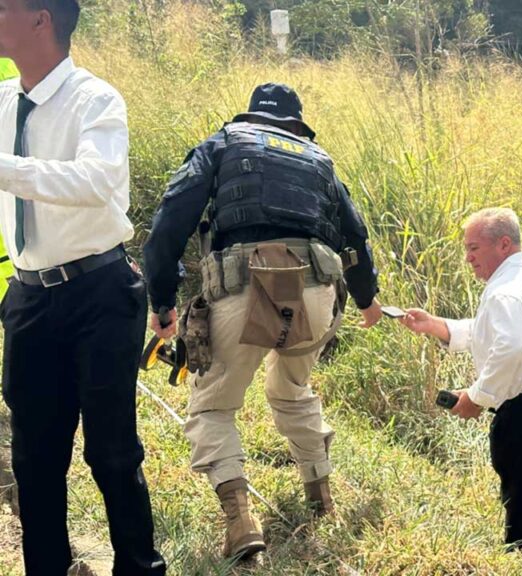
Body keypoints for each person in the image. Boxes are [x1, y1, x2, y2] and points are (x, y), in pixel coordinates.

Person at [143, 82, 382, 560]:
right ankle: (320, 494)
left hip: (242, 283)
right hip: (314, 291)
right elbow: (355, 235)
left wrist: (162, 302)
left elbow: (169, 222)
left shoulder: (223, 144)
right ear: (295, 124)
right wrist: (367, 299)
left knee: (213, 406)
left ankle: (240, 522)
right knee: (292, 390)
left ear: (252, 116)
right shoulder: (320, 160)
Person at [0, 0, 167, 574]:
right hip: (27, 298)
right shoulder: (1, 102)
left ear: (41, 19)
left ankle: (139, 567)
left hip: (98, 292)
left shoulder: (95, 99)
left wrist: (4, 168)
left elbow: (97, 181)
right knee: (33, 456)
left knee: (111, 451)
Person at [399, 208, 522, 574]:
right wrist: (436, 325)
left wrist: (477, 397)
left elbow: (509, 347)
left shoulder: (504, 291)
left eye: (474, 247)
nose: (469, 258)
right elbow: (491, 331)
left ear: (504, 244)